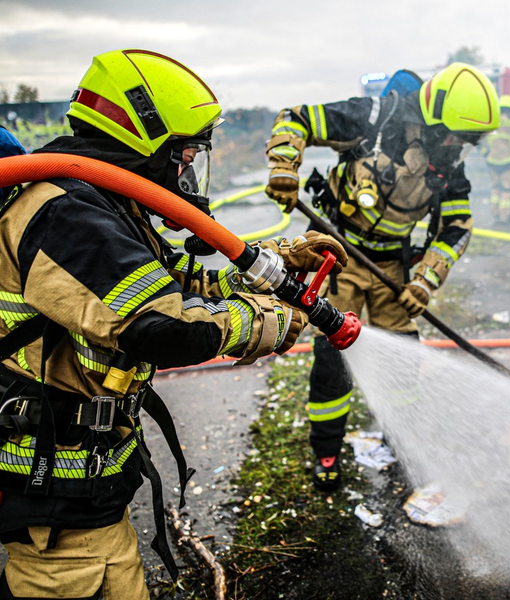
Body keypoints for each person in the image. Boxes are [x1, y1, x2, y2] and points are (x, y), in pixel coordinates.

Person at [0, 49, 346, 599]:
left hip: (83, 478)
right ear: (143, 140)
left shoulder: (102, 202)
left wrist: (280, 260)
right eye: (184, 154)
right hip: (54, 492)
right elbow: (160, 322)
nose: (187, 169)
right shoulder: (66, 212)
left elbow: (175, 277)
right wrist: (272, 321)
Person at [264, 62, 499, 492]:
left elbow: (456, 229)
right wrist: (284, 165)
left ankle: (400, 440)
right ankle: (327, 453)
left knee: (404, 357)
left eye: (467, 142)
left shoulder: (449, 167)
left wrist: (425, 280)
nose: (456, 147)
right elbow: (295, 118)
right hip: (340, 255)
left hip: (393, 264)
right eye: (453, 136)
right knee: (333, 360)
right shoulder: (374, 118)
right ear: (432, 117)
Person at [479, 94, 510, 224]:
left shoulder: (491, 123)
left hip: (492, 162)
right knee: (507, 190)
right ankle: (505, 218)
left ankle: (495, 214)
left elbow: (479, 141)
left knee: (495, 188)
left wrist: (486, 154)